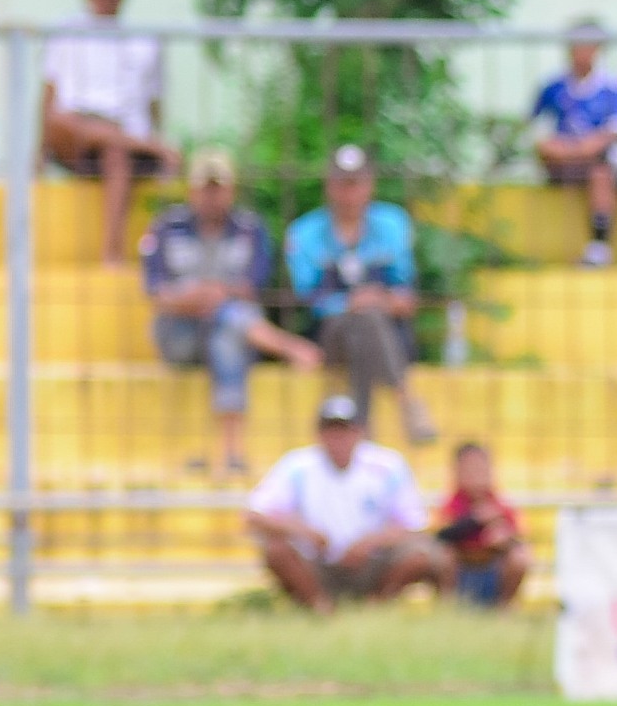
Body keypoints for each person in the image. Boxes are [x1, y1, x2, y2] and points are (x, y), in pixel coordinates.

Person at [140, 146, 319, 476]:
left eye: (218, 187)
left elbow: (253, 285)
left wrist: (215, 296)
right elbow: (155, 292)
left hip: (228, 332)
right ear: (191, 190)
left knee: (227, 334)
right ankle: (287, 347)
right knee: (232, 320)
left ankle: (229, 451)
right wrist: (195, 298)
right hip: (179, 333)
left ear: (231, 189)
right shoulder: (166, 227)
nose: (211, 197)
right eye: (205, 188)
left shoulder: (250, 228)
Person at [284, 145, 436, 446]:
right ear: (329, 186)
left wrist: (385, 301)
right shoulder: (304, 232)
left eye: (356, 183)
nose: (349, 193)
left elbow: (405, 291)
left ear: (370, 185)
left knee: (365, 325)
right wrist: (351, 302)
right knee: (363, 319)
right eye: (342, 184)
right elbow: (309, 300)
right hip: (331, 333)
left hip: (383, 329)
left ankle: (362, 429)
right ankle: (405, 399)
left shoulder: (393, 223)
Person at [246, 395, 449, 610]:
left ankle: (375, 605)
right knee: (277, 550)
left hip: (374, 562)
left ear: (359, 432)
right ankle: (321, 607)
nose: (338, 439)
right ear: (319, 434)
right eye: (332, 431)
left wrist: (370, 543)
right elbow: (255, 514)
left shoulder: (388, 466)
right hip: (318, 562)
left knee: (420, 555)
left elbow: (414, 524)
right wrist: (304, 532)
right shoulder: (298, 466)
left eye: (344, 431)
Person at [41, 0, 175, 266]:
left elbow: (153, 103)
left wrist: (152, 134)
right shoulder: (67, 33)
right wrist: (37, 158)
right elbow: (49, 98)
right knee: (62, 119)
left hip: (117, 145)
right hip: (76, 139)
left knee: (116, 152)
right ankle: (149, 147)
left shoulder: (142, 42)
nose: (105, 0)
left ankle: (111, 253)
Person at [530, 18, 617, 267]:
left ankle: (598, 247)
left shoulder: (612, 87)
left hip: (594, 161)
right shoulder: (553, 87)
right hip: (563, 160)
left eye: (588, 46)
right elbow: (535, 130)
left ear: (599, 50)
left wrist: (585, 148)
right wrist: (567, 150)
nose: (581, 52)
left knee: (601, 173)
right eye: (576, 46)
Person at [434, 441, 530, 607]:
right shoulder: (452, 504)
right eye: (469, 470)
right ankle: (449, 604)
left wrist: (503, 539)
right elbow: (440, 535)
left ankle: (503, 606)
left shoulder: (500, 504)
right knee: (442, 554)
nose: (475, 476)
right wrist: (474, 520)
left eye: (480, 469)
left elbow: (519, 536)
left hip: (492, 572)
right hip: (461, 572)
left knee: (520, 556)